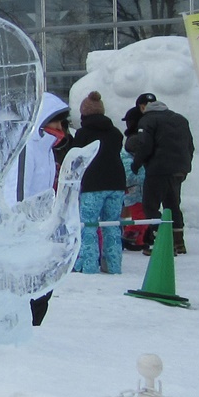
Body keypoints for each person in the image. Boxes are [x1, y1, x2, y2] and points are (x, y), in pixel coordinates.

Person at [5, 94, 71, 325]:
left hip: (40, 230)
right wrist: (19, 229)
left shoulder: (46, 149)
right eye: (55, 121)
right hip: (23, 232)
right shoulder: (26, 146)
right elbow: (17, 192)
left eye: (62, 122)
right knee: (28, 290)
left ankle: (31, 328)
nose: (60, 127)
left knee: (42, 289)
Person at [126, 93, 194, 255]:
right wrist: (184, 165)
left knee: (150, 206)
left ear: (144, 108)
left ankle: (160, 243)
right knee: (172, 205)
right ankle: (178, 243)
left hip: (158, 169)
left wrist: (137, 164)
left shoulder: (147, 120)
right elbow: (190, 145)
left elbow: (145, 145)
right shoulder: (180, 119)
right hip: (180, 169)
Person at [67, 91, 127, 274]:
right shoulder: (115, 133)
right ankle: (114, 265)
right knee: (112, 225)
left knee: (89, 225)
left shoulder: (83, 134)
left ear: (84, 113)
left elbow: (76, 158)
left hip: (93, 184)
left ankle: (89, 265)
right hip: (117, 183)